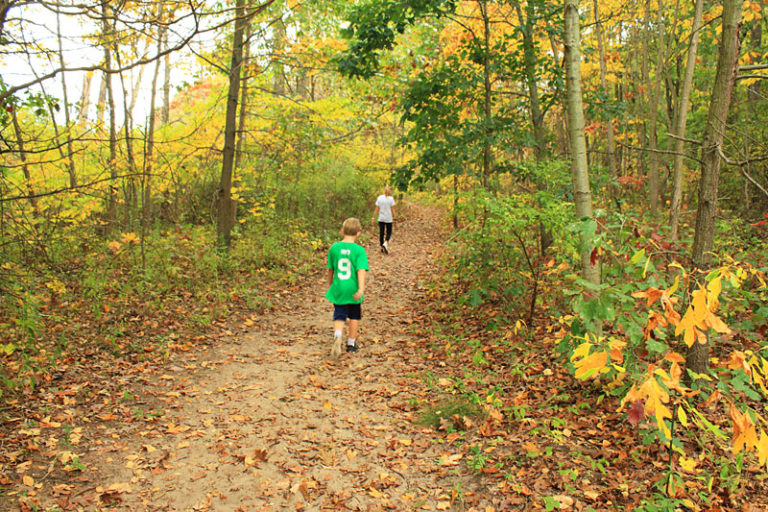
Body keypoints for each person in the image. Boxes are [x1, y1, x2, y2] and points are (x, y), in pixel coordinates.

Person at [325, 218, 369, 357]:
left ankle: (338, 335)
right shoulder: (359, 250)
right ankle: (351, 343)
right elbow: (361, 270)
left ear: (342, 231)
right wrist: (361, 289)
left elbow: (330, 269)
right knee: (354, 315)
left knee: (339, 314)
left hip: (339, 287)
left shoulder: (334, 248)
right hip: (353, 288)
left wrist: (330, 284)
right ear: (358, 234)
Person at [371, 186, 396, 254]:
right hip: (388, 218)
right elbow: (392, 210)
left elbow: (376, 209)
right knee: (389, 232)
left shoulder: (379, 198)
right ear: (390, 191)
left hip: (381, 218)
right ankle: (386, 242)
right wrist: (395, 218)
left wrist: (373, 218)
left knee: (381, 233)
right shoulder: (391, 199)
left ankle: (382, 247)